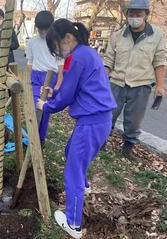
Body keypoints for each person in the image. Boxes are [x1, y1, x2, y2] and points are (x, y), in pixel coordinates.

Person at [37, 19, 117, 238]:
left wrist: (47, 105)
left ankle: (73, 223)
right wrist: (55, 94)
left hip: (92, 122)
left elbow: (68, 95)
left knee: (73, 169)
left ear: (68, 39)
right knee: (70, 152)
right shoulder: (87, 53)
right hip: (98, 120)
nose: (59, 52)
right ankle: (85, 186)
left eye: (58, 47)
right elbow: (76, 88)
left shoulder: (77, 57)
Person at [104, 0, 167, 160]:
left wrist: (160, 85)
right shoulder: (118, 35)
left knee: (134, 120)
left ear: (146, 14)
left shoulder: (157, 35)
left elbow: (159, 60)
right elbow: (108, 60)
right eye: (131, 14)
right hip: (117, 83)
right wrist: (102, 80)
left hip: (141, 84)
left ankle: (127, 148)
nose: (134, 17)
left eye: (138, 14)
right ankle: (101, 142)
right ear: (127, 15)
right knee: (107, 115)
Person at [26, 10, 64, 144]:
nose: (42, 32)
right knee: (34, 107)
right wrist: (27, 81)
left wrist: (58, 85)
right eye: (40, 29)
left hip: (50, 78)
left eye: (45, 29)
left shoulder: (57, 43)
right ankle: (32, 137)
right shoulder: (31, 42)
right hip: (35, 76)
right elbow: (29, 62)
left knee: (45, 109)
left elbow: (60, 67)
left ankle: (40, 138)